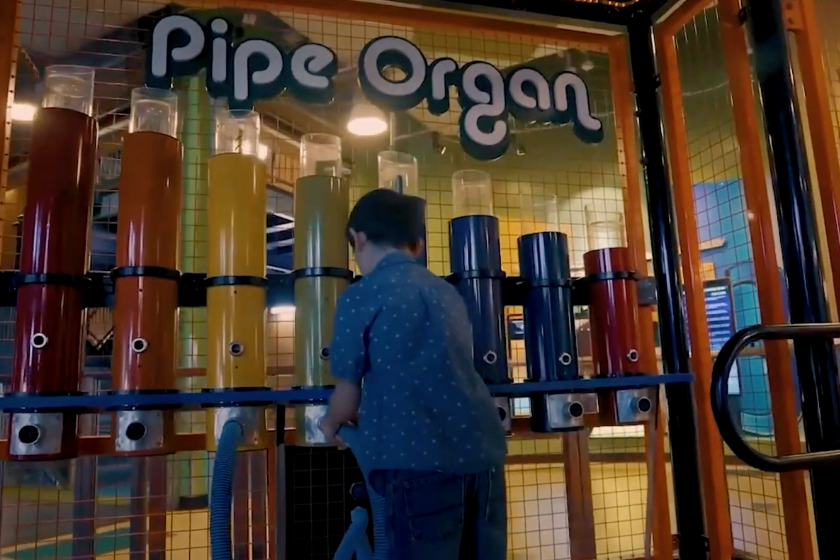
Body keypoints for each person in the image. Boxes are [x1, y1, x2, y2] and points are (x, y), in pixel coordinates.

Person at [318, 188, 508, 560]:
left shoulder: (362, 295)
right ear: (417, 246)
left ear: (357, 239)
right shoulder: (448, 293)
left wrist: (332, 423)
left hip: (417, 462)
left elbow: (347, 391)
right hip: (483, 459)